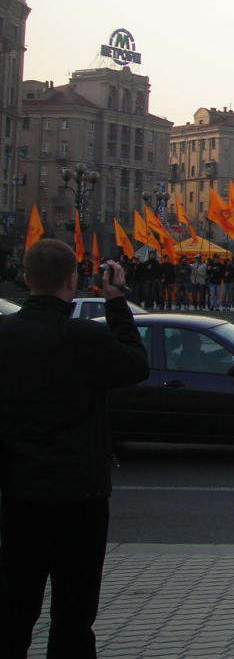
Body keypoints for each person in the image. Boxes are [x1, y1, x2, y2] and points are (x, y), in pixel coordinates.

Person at [0, 239, 149, 657]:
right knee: (73, 616)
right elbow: (136, 365)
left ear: (26, 279)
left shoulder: (4, 335)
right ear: (73, 280)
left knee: (13, 609)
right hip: (80, 497)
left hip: (19, 495)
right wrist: (117, 300)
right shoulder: (86, 338)